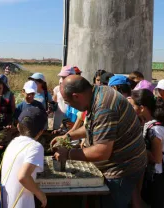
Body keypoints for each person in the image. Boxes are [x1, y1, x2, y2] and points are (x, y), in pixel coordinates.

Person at [52, 75, 147, 208]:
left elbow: (102, 152)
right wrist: (68, 137)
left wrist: (68, 154)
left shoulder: (104, 107)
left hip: (122, 167)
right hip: (125, 160)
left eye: (67, 102)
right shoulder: (97, 93)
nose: (68, 105)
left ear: (76, 96)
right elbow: (94, 128)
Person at [129, 89, 164, 208]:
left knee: (155, 202)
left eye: (132, 105)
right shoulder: (147, 122)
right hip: (155, 170)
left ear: (142, 107)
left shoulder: (155, 129)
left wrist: (140, 148)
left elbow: (157, 158)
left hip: (158, 172)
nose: (130, 108)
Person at [2, 107, 48, 208]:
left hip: (5, 203)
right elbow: (23, 176)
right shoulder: (35, 146)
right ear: (41, 132)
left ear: (18, 126)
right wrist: (40, 194)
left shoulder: (13, 142)